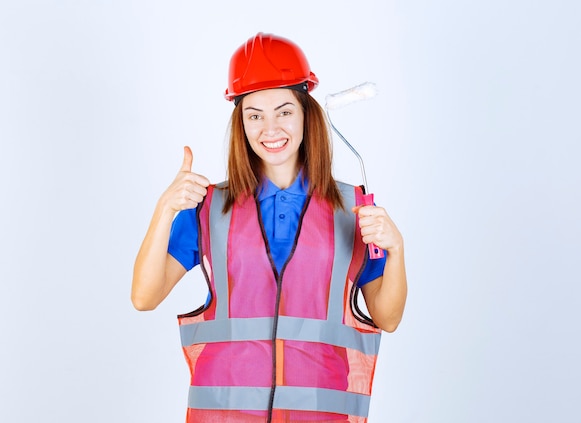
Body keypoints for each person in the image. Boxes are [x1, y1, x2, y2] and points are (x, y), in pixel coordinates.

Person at [132, 32, 407, 423]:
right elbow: (144, 296)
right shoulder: (210, 208)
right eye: (254, 115)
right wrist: (165, 209)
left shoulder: (353, 208)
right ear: (241, 121)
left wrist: (396, 250)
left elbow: (388, 318)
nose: (270, 128)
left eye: (284, 111)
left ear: (306, 112)